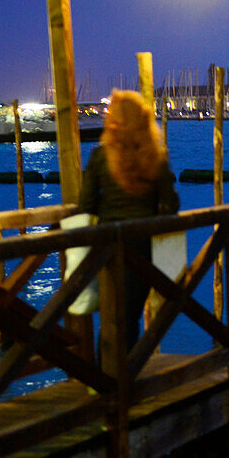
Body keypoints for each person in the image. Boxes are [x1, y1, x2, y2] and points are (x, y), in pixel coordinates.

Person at [79, 90, 179, 351]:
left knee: (111, 317)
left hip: (106, 248)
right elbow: (170, 207)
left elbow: (85, 205)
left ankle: (107, 383)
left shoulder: (100, 157)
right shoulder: (156, 157)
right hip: (142, 249)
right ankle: (124, 378)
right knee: (130, 315)